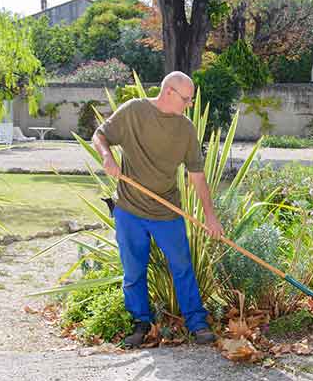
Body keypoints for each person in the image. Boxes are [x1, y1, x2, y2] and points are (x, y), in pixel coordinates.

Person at [92, 71, 224, 348]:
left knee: (183, 266)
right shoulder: (134, 112)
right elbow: (100, 135)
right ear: (169, 93)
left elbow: (197, 175)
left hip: (167, 212)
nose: (189, 104)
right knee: (134, 271)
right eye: (186, 99)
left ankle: (197, 323)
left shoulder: (185, 129)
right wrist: (107, 156)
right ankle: (142, 323)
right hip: (129, 209)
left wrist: (211, 217)